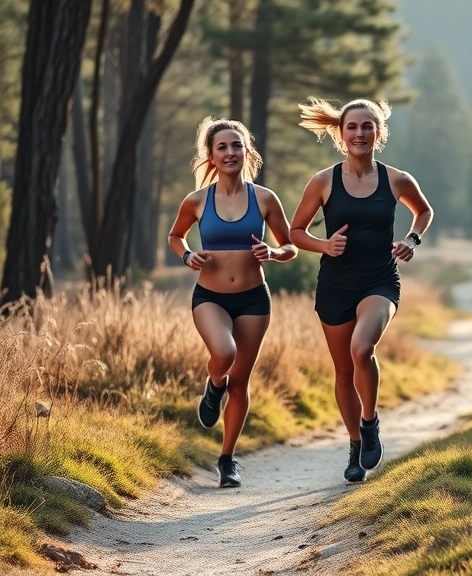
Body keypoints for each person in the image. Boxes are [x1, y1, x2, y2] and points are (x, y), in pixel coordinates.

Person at [290, 98, 433, 484]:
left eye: (367, 126)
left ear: (378, 132)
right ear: (341, 133)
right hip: (335, 284)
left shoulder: (396, 179)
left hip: (379, 281)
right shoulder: (322, 181)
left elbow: (423, 211)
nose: (360, 134)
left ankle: (369, 422)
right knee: (341, 372)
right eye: (352, 127)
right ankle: (355, 444)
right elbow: (295, 232)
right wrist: (323, 245)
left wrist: (412, 240)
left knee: (361, 349)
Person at [168, 117, 298, 488]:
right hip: (210, 297)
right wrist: (187, 254)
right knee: (223, 356)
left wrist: (272, 253)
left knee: (240, 382)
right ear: (210, 155)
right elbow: (176, 236)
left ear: (247, 152)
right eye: (222, 147)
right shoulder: (196, 201)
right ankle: (213, 385)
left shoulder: (265, 198)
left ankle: (227, 459)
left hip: (254, 299)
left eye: (236, 146)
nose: (230, 153)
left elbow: (290, 246)